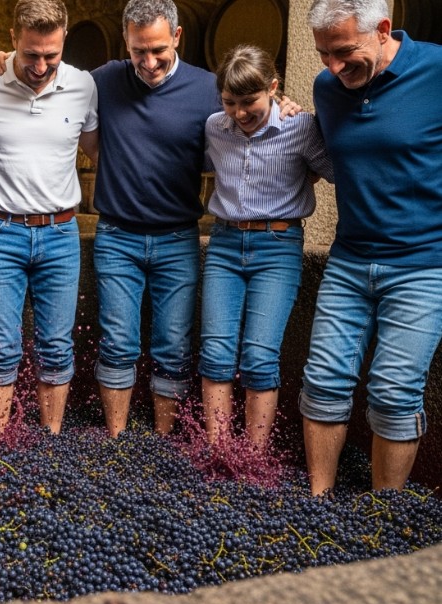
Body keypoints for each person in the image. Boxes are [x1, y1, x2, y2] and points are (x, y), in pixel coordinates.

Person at [300, 0, 442, 494]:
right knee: (321, 383)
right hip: (348, 261)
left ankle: (385, 517)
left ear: (383, 30)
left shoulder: (437, 71)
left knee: (394, 393)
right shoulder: (327, 89)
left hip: (424, 265)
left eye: (343, 52)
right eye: (323, 55)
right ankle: (317, 505)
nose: (333, 68)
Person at [0, 0, 98, 437]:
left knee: (56, 346)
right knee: (1, 347)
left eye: (51, 55)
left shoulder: (83, 85)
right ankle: (1, 443)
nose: (41, 65)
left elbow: (100, 148)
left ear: (63, 42)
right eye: (31, 54)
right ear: (13, 39)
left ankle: (49, 439)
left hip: (60, 232)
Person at [90, 0, 220, 437]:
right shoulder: (104, 80)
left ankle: (161, 444)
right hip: (116, 236)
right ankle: (117, 441)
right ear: (126, 42)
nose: (148, 62)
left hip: (178, 237)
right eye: (137, 51)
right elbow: (47, 82)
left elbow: (252, 118)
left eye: (158, 50)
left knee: (173, 345)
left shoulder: (209, 88)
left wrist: (289, 108)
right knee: (118, 342)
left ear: (178, 37)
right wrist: (4, 62)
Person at [199, 44, 333, 450]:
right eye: (230, 102)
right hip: (224, 244)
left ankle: (254, 460)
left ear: (273, 88)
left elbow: (333, 169)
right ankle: (219, 453)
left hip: (278, 247)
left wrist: (296, 184)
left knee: (259, 357)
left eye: (250, 102)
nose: (239, 113)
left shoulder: (301, 127)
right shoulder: (214, 128)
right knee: (216, 353)